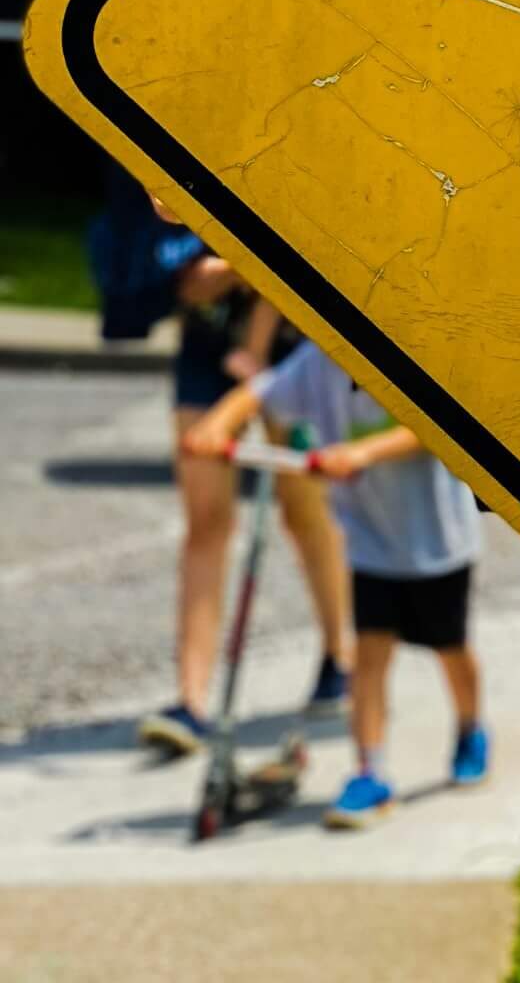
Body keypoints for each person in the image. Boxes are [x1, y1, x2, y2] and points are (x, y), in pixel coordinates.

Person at [184, 339, 489, 828]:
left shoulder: (410, 349)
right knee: (369, 653)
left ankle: (471, 727)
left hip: (435, 539)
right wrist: (217, 426)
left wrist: (362, 452)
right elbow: (261, 391)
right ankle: (370, 769)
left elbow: (435, 425)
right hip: (372, 540)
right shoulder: (321, 358)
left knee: (450, 647)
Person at [139, 220, 352, 756]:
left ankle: (339, 655)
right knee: (205, 519)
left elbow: (298, 250)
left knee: (303, 511)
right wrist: (226, 273)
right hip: (209, 343)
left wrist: (239, 278)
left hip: (290, 345)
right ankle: (191, 700)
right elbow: (187, 276)